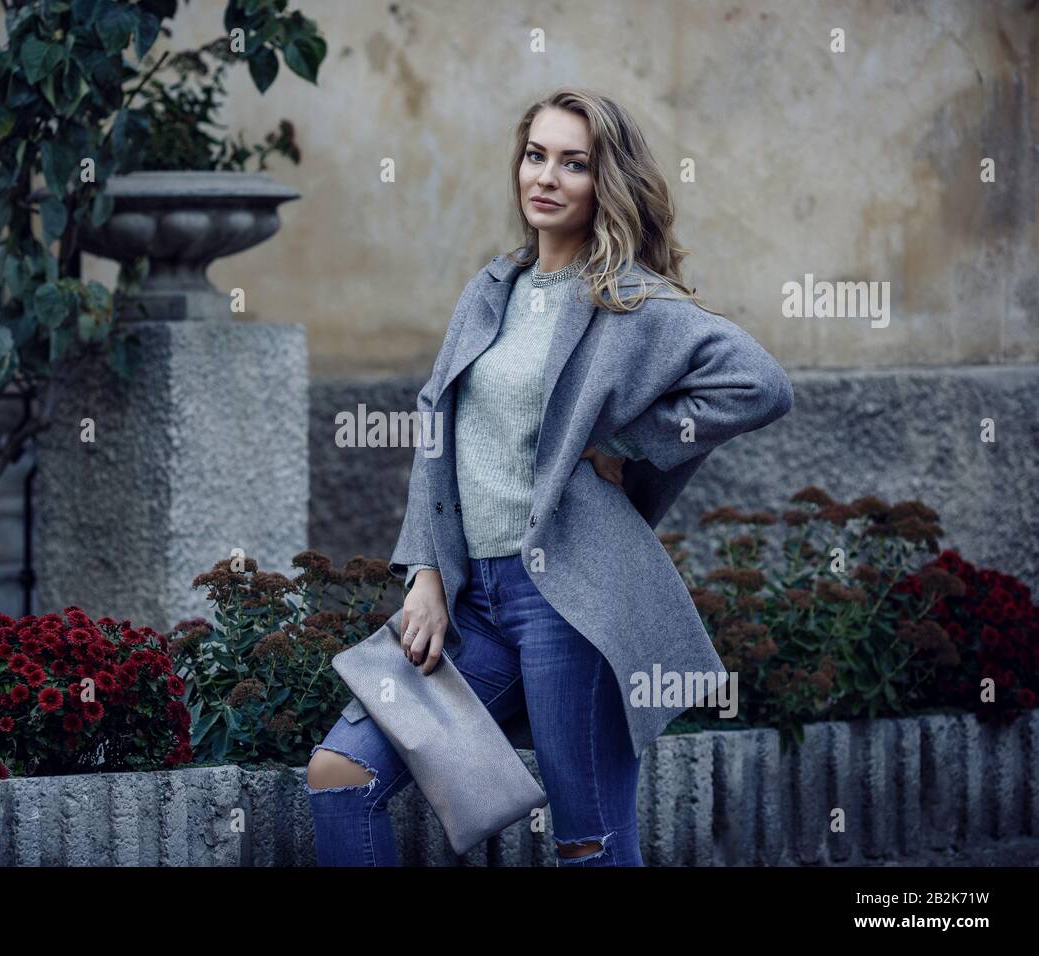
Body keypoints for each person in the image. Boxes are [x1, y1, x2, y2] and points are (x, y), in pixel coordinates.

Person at [306, 88, 764, 866]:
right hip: (470, 601)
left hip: (569, 602)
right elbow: (436, 428)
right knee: (340, 773)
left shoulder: (629, 300)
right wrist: (423, 571)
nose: (545, 177)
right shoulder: (492, 290)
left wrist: (627, 439)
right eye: (535, 155)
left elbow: (757, 384)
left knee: (589, 845)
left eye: (574, 163)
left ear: (606, 182)